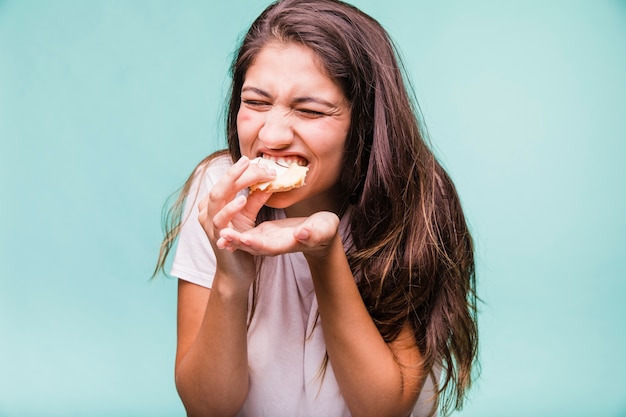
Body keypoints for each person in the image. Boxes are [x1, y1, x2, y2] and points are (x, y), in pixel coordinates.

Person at [154, 0, 479, 416]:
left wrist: (324, 254)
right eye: (255, 103)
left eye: (309, 110)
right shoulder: (219, 193)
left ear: (365, 124)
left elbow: (382, 409)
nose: (272, 134)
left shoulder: (416, 203)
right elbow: (206, 408)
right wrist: (231, 279)